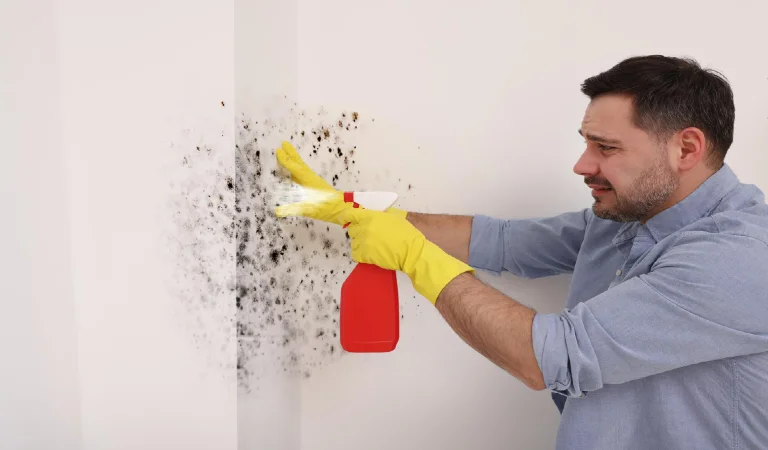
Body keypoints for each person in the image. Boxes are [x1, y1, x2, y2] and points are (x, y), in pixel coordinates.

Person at [274, 55, 768, 449]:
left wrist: (417, 259)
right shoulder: (629, 213)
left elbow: (552, 358)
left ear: (685, 149)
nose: (582, 164)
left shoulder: (737, 258)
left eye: (606, 147)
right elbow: (505, 242)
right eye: (585, 143)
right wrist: (351, 211)